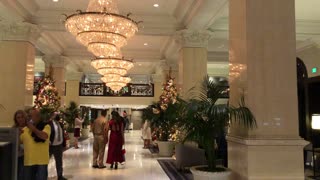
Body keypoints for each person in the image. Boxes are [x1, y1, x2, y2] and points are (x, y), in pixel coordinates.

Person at [20, 109, 51, 180]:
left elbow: (44, 136)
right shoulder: (24, 129)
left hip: (41, 162)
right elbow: (19, 142)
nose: (29, 118)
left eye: (31, 116)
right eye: (28, 116)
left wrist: (33, 129)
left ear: (38, 117)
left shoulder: (46, 126)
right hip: (28, 162)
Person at [49, 114, 67, 180]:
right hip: (50, 146)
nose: (56, 115)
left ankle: (60, 176)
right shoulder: (49, 124)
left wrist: (64, 145)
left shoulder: (60, 124)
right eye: (55, 114)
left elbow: (62, 134)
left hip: (59, 145)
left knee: (59, 162)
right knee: (45, 162)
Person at [13, 110, 27, 180]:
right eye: (18, 117)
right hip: (17, 156)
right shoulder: (14, 129)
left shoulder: (30, 128)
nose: (20, 119)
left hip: (28, 156)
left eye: (22, 117)